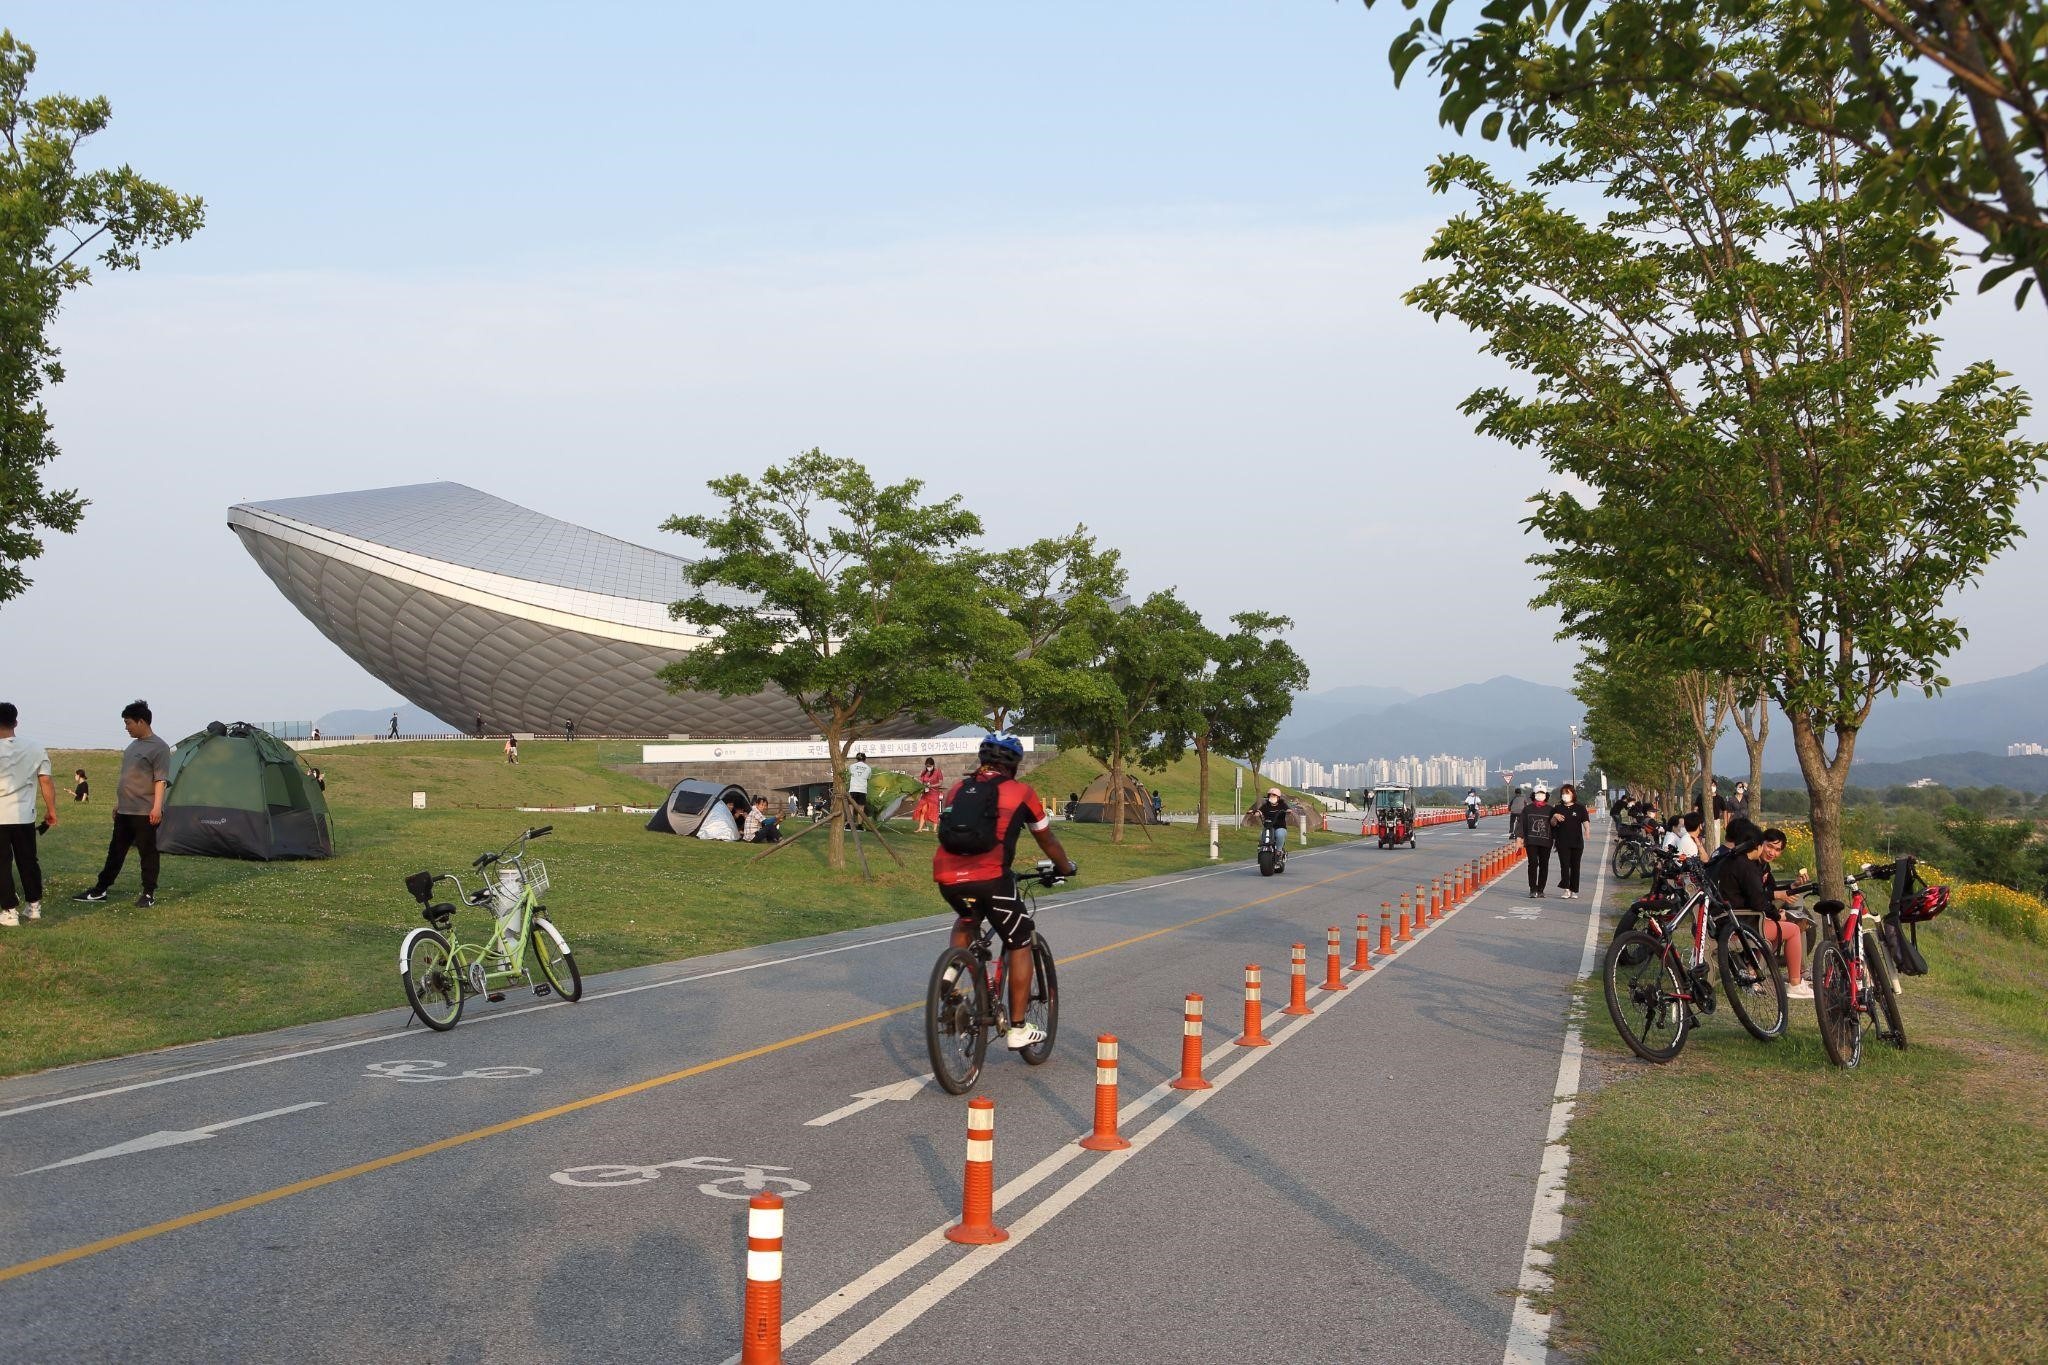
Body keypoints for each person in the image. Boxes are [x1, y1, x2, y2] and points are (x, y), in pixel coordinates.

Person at [933, 733, 1077, 1051]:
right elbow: (1047, 839)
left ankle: (951, 974)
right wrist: (1065, 867)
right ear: (1014, 764)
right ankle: (1018, 1027)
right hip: (992, 878)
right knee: (1020, 939)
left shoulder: (960, 788)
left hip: (947, 876)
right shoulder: (1021, 792)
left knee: (968, 918)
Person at [73, 700, 171, 908]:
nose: (126, 727)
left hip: (145, 811)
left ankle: (148, 893)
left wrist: (156, 807)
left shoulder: (159, 747)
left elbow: (160, 780)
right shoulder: (132, 746)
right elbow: (127, 778)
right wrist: (119, 803)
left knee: (148, 853)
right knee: (115, 851)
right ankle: (100, 890)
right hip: (125, 810)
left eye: (128, 723)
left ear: (141, 721)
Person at [1717, 826, 1810, 999]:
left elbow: (1766, 892)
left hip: (1740, 918)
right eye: (1769, 846)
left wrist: (1792, 887)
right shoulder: (1747, 866)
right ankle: (1794, 983)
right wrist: (1775, 913)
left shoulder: (1751, 864)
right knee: (1793, 928)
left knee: (1798, 921)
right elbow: (1757, 898)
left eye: (1777, 850)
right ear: (1759, 844)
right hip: (1742, 922)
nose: (1772, 852)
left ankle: (1766, 970)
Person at [0, 702, 58, 928]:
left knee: (2, 864)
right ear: (16, 722)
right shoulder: (34, 747)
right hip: (25, 815)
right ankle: (34, 906)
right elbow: (46, 780)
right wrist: (51, 810)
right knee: (28, 860)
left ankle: (9, 911)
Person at [1548, 782, 1590, 898]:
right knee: (1565, 865)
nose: (1565, 795)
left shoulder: (1580, 808)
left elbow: (1585, 820)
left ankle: (1574, 889)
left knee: (1575, 866)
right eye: (1563, 794)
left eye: (1567, 793)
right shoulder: (1557, 808)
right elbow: (1552, 823)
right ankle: (1566, 889)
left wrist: (1587, 830)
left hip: (1577, 842)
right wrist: (1554, 816)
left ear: (1573, 794)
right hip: (1562, 842)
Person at [1518, 783, 1554, 898]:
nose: (1540, 795)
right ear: (1533, 795)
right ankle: (1533, 889)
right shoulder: (1527, 809)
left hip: (1546, 842)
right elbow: (1521, 824)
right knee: (1533, 864)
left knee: (1544, 865)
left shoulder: (1551, 810)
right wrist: (1519, 838)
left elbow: (1555, 825)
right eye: (1538, 793)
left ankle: (1541, 889)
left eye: (1542, 793)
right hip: (1531, 841)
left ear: (1546, 795)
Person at [912, 757, 944, 833]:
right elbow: (921, 781)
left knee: (934, 811)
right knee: (923, 810)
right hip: (925, 794)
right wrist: (922, 785)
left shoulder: (937, 771)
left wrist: (931, 786)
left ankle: (934, 829)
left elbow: (940, 783)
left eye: (930, 766)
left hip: (933, 794)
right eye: (927, 766)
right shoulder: (924, 772)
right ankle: (920, 828)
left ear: (933, 765)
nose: (928, 767)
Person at [1257, 787, 1292, 855]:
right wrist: (1256, 813)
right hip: (1268, 827)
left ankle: (1279, 850)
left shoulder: (1282, 805)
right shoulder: (1266, 805)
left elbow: (1287, 809)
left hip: (1280, 827)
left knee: (1280, 834)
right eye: (1270, 795)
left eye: (1274, 795)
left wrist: (1288, 811)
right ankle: (1262, 849)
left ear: (1278, 797)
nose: (1272, 797)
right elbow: (1260, 811)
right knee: (1262, 835)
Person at [846, 751, 872, 829]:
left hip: (853, 789)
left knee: (851, 807)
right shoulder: (868, 768)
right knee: (861, 809)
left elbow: (850, 775)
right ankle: (859, 826)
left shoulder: (852, 766)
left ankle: (849, 825)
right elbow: (868, 778)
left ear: (856, 759)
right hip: (862, 790)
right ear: (865, 759)